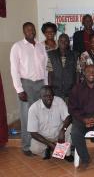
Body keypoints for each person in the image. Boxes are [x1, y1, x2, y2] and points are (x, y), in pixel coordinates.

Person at [10, 22, 48, 156]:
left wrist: (46, 85)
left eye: (32, 29)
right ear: (23, 31)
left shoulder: (41, 46)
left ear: (35, 30)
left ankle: (39, 144)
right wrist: (19, 89)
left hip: (40, 84)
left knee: (40, 115)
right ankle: (26, 146)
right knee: (26, 116)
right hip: (26, 84)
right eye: (27, 30)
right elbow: (14, 70)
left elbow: (45, 69)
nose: (30, 31)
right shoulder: (17, 47)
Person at [27, 86, 73, 161]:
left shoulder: (59, 101)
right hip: (44, 136)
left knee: (70, 126)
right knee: (34, 149)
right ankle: (48, 149)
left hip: (58, 134)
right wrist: (50, 144)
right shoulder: (33, 109)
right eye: (45, 96)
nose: (48, 98)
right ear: (40, 97)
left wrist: (62, 130)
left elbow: (68, 117)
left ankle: (66, 154)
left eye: (50, 95)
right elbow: (33, 133)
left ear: (53, 95)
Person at [47, 34, 79, 102]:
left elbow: (78, 73)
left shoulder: (75, 55)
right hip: (56, 91)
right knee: (57, 111)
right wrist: (49, 89)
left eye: (66, 41)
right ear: (58, 42)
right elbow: (50, 73)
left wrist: (77, 88)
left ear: (69, 42)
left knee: (70, 111)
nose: (63, 43)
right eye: (61, 41)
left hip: (71, 90)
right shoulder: (52, 54)